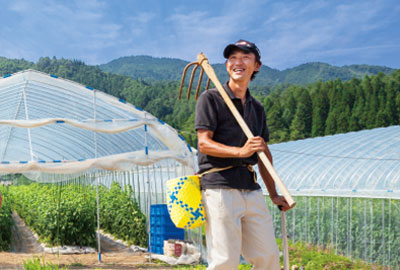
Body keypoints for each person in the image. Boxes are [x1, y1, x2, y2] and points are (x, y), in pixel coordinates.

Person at [195, 39, 290, 270]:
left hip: (251, 189)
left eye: (245, 57)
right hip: (219, 187)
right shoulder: (211, 98)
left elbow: (262, 154)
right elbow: (204, 144)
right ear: (227, 65)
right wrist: (240, 151)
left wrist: (274, 193)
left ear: (256, 65)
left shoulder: (257, 108)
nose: (238, 62)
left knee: (267, 256)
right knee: (225, 260)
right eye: (233, 58)